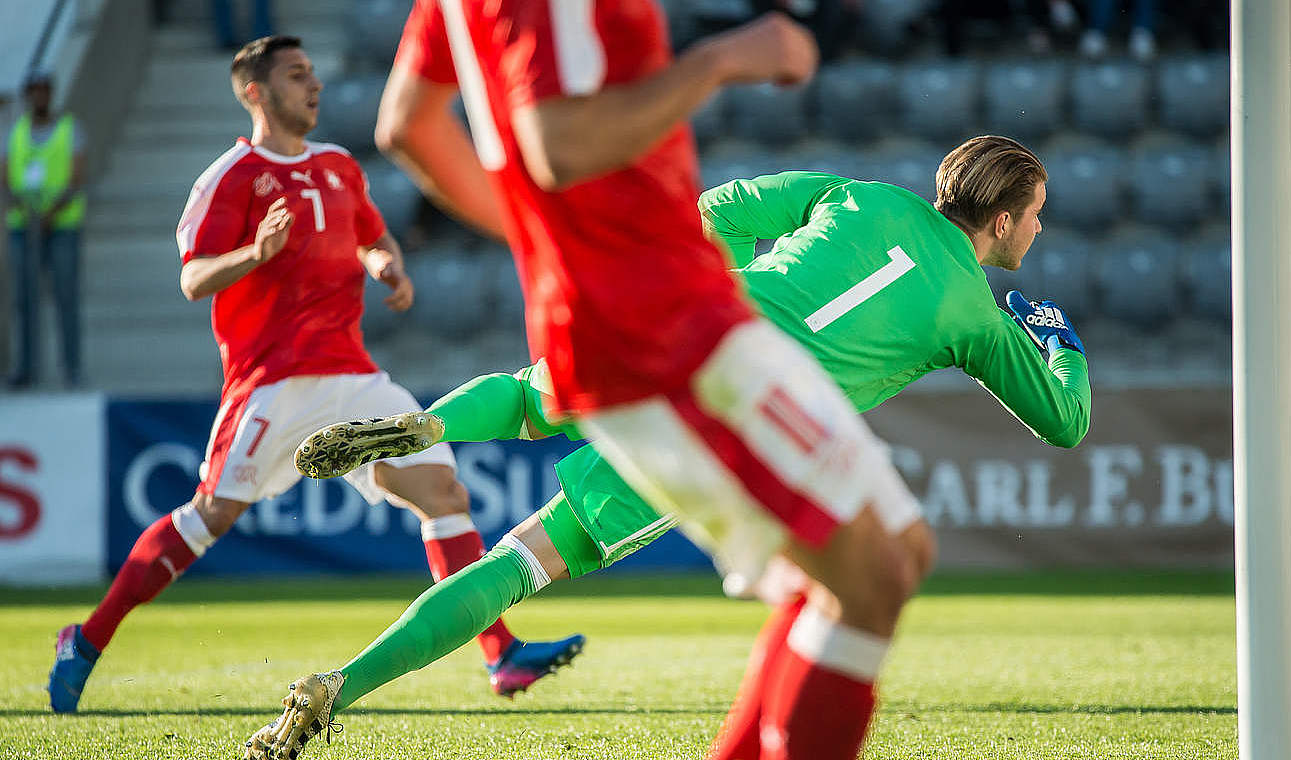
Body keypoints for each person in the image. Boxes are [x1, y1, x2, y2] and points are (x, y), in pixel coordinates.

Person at [244, 138, 1091, 759]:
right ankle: (337, 686)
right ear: (1005, 220)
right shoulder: (979, 316)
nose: (1040, 231)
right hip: (742, 419)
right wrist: (1060, 343)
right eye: (1038, 217)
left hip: (690, 329)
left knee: (533, 400)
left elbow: (714, 212)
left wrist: (724, 286)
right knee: (523, 563)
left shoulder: (857, 193)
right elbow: (1066, 421)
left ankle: (433, 424)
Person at [43, 36, 583, 716]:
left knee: (444, 492)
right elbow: (192, 279)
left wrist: (385, 263)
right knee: (209, 518)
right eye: (295, 76)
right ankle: (84, 641)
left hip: (353, 376)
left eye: (312, 73)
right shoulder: (229, 177)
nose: (314, 85)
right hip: (273, 381)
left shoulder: (338, 167)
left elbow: (372, 236)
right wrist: (255, 251)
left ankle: (500, 654)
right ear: (254, 92)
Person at [3, 71, 86, 388]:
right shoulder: (16, 132)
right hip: (24, 227)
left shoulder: (69, 129)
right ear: (27, 95)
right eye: (34, 91)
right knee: (24, 300)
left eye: (45, 90)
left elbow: (77, 176)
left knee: (66, 296)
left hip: (61, 225)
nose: (40, 96)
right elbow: (6, 176)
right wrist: (26, 210)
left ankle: (72, 368)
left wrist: (50, 213)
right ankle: (26, 368)